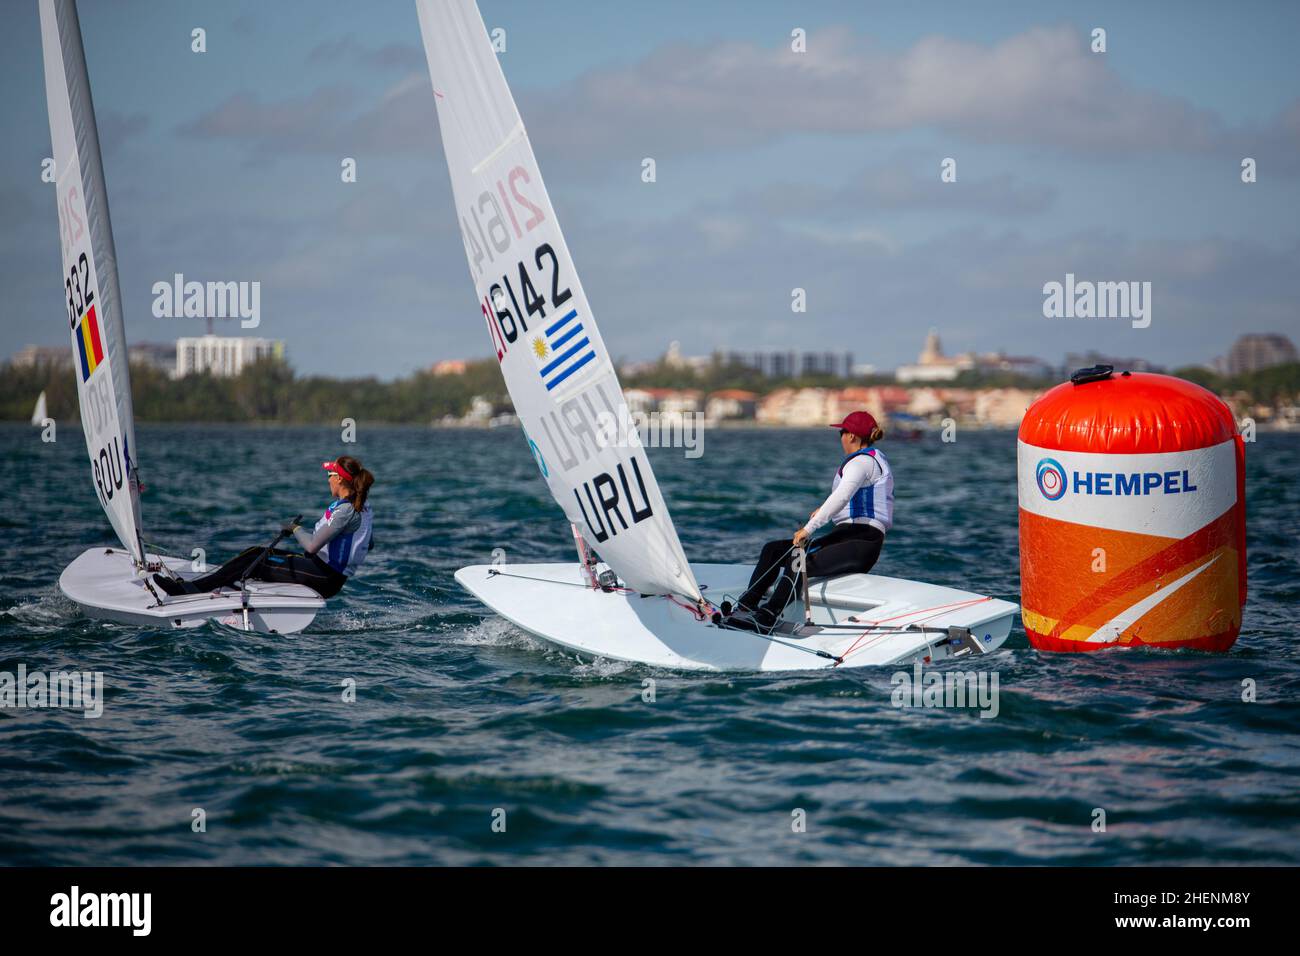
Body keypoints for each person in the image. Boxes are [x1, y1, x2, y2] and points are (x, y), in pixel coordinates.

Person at [726, 411, 892, 632]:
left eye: (842, 432)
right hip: (846, 535)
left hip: (862, 542)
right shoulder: (868, 459)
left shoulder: (862, 462)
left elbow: (842, 496)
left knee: (798, 559)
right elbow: (850, 499)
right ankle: (746, 606)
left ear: (851, 436)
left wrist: (809, 528)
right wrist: (823, 510)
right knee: (774, 550)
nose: (840, 437)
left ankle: (768, 616)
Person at [154, 455, 375, 599]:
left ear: (339, 479)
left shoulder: (346, 511)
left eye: (329, 475)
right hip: (325, 574)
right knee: (257, 554)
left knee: (255, 557)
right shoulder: (364, 507)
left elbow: (312, 547)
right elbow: (368, 543)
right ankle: (206, 584)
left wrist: (295, 528)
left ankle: (187, 591)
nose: (327, 479)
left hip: (323, 577)